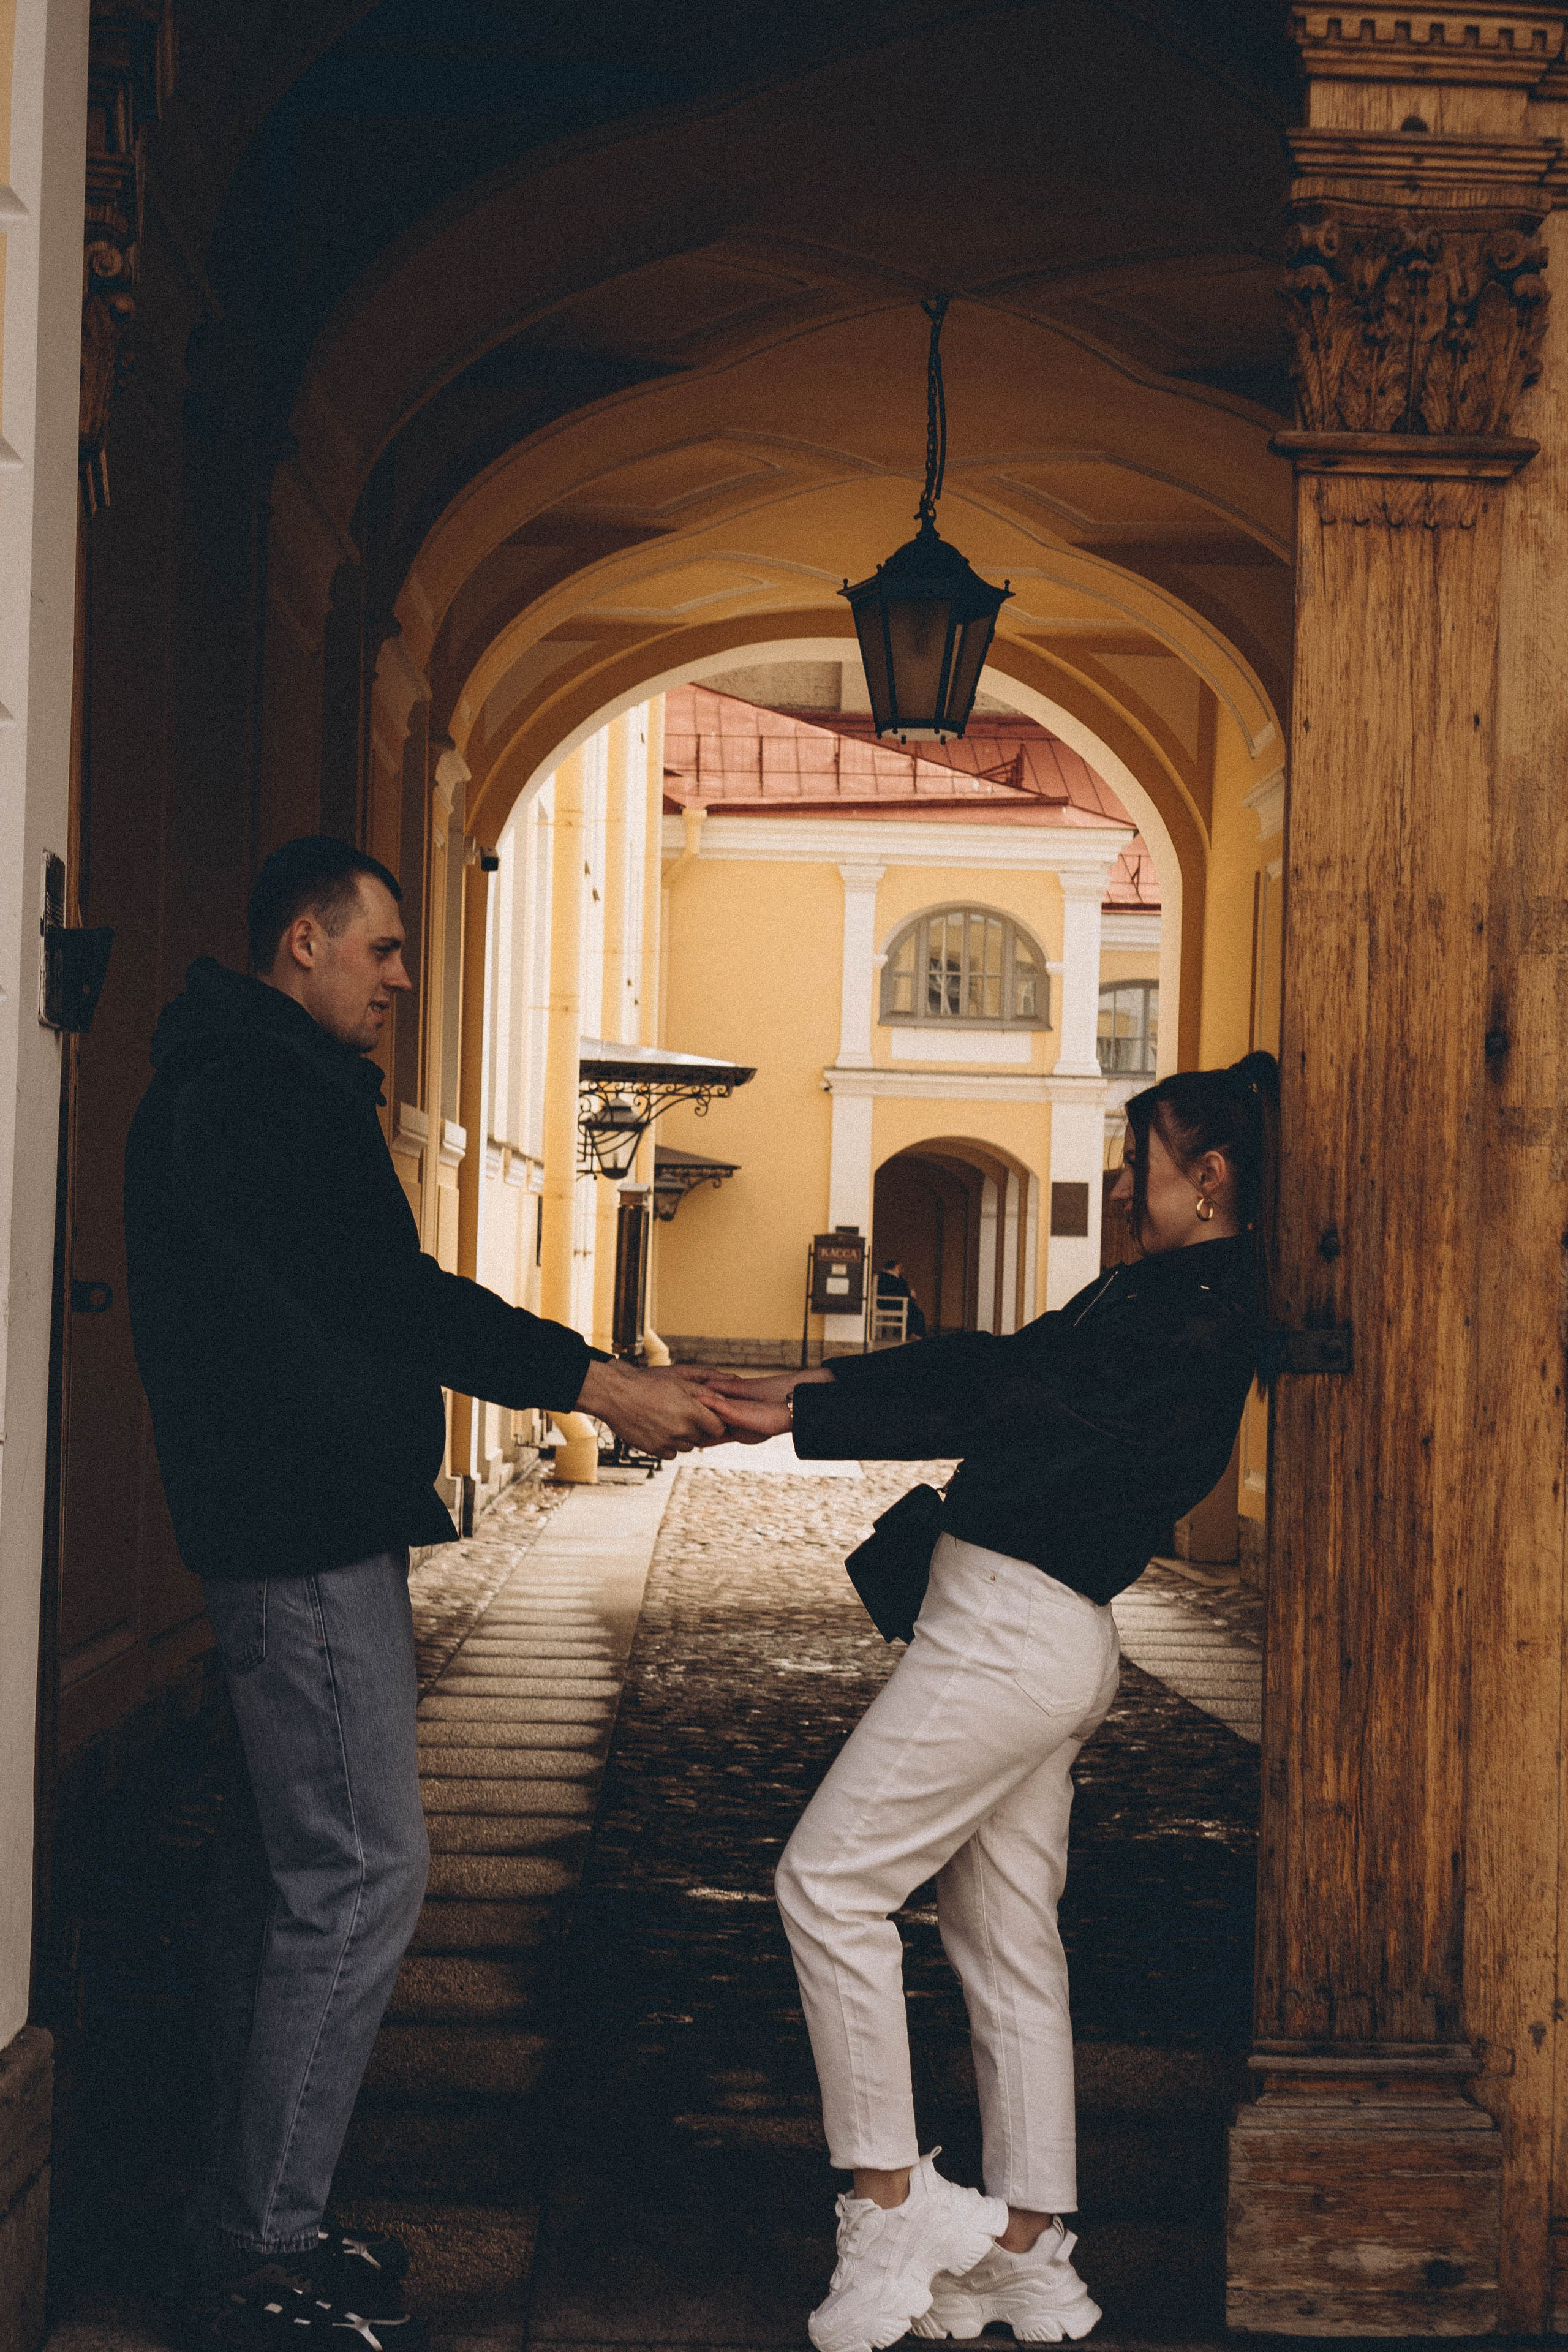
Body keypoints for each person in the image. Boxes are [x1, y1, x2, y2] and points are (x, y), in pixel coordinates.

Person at [124, 837, 725, 2350]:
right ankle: (257, 2251)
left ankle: (248, 2220)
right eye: (382, 949)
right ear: (304, 941)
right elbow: (385, 1299)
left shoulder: (251, 1079)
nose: (401, 979)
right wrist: (593, 1378)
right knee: (362, 1877)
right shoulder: (255, 1093)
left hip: (296, 1520)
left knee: (288, 1879)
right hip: (299, 1528)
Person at [697, 1055, 1279, 2352]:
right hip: (1026, 1632)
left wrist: (794, 1411)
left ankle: (888, 2200)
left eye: (1141, 1165)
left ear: (1211, 1175)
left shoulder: (1187, 1316)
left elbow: (995, 1388)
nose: (1124, 1187)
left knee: (825, 1884)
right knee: (1005, 1938)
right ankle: (1027, 2249)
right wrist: (796, 1402)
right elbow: (1000, 1364)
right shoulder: (1166, 1296)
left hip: (1009, 1636)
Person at [875, 1259, 927, 1342]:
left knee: (915, 1310)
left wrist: (910, 1293)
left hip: (898, 1301)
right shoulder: (886, 1277)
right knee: (916, 1312)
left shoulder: (895, 1277)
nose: (900, 1269)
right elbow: (895, 1291)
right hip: (890, 1303)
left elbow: (901, 1289)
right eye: (898, 1267)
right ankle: (917, 1334)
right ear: (894, 1267)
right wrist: (910, 1294)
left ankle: (914, 1333)